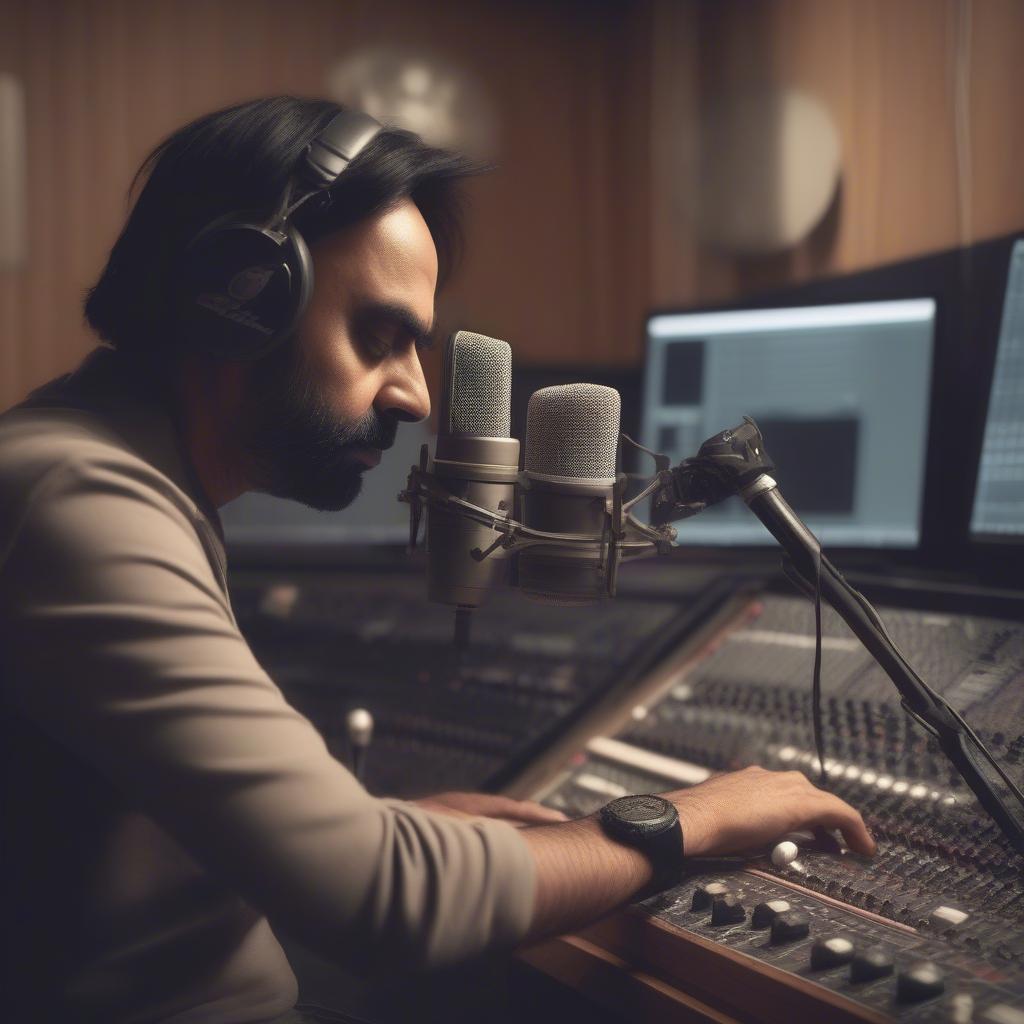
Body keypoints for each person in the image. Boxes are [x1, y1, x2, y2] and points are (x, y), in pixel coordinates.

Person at [0, 96, 874, 1024]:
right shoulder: (75, 498)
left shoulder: (113, 473)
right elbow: (379, 900)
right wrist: (687, 817)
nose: (416, 394)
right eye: (379, 338)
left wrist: (393, 827)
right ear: (240, 296)